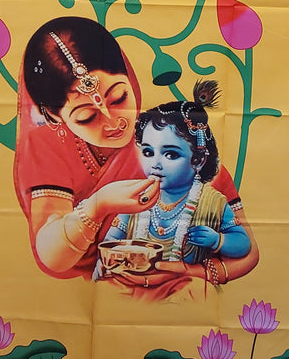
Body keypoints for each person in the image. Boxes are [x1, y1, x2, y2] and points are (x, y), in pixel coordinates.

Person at [14, 16, 258, 290]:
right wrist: (98, 207)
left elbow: (248, 252)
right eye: (86, 117)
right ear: (53, 116)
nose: (113, 122)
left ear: (129, 77)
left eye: (119, 98)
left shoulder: (174, 136)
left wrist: (188, 272)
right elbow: (53, 257)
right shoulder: (47, 146)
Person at [98, 81, 251, 272]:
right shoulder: (136, 197)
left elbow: (243, 243)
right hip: (131, 283)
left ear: (198, 160)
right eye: (148, 152)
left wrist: (218, 241)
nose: (155, 163)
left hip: (189, 286)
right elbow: (112, 240)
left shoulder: (213, 202)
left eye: (170, 154)